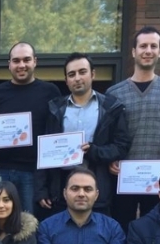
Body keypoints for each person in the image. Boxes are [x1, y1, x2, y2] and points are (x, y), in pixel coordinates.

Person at [105, 27, 160, 232]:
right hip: (124, 175)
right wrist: (111, 158)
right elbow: (108, 134)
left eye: (153, 46)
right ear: (133, 51)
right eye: (143, 46)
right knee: (122, 228)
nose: (148, 51)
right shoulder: (114, 93)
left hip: (159, 175)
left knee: (156, 230)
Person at [41, 53, 131, 217]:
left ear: (93, 74)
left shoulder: (111, 107)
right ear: (66, 80)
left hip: (98, 188)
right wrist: (42, 189)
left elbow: (121, 146)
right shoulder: (55, 109)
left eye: (82, 72)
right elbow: (44, 153)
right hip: (61, 190)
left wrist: (94, 150)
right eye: (71, 74)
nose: (77, 78)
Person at [0, 42, 60, 214]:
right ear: (9, 64)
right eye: (16, 61)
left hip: (33, 173)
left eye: (26, 60)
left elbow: (56, 133)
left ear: (35, 61)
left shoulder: (50, 91)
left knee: (29, 224)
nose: (21, 65)